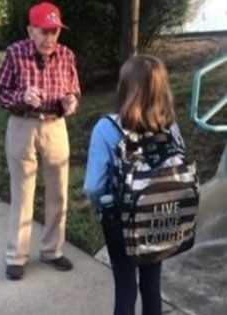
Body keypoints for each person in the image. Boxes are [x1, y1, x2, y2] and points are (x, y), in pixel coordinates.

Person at [83, 54, 185, 315]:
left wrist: (100, 208)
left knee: (125, 287)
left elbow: (95, 186)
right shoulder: (170, 126)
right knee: (152, 284)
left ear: (126, 87)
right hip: (160, 215)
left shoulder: (106, 128)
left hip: (121, 219)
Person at [0, 1, 81, 281]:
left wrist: (71, 101)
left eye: (54, 32)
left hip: (55, 126)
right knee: (22, 193)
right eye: (44, 31)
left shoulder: (67, 55)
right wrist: (21, 97)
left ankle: (52, 251)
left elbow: (74, 90)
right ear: (31, 31)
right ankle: (16, 256)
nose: (50, 38)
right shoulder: (15, 53)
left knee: (59, 192)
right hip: (23, 125)